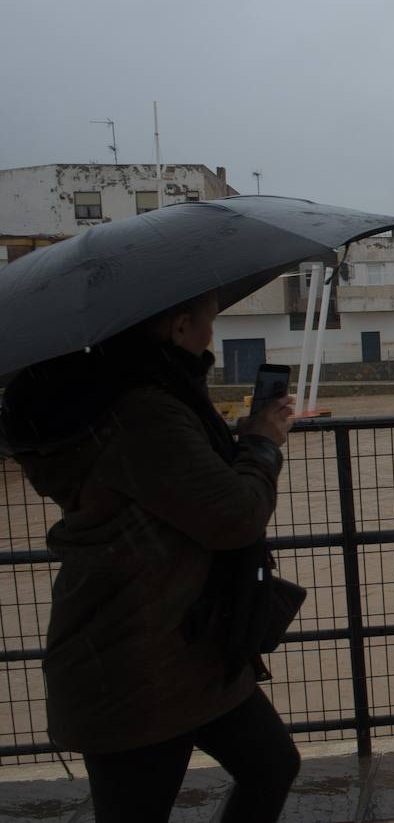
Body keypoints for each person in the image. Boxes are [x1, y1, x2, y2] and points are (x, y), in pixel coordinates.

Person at [0, 291, 300, 822]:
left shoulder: (132, 400)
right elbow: (235, 517)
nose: (213, 331)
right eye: (209, 318)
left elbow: (186, 489)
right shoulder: (143, 412)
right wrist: (262, 444)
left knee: (272, 764)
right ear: (180, 328)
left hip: (188, 645)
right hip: (134, 662)